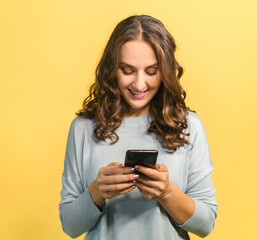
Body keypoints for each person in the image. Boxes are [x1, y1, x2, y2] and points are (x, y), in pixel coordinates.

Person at [59, 15, 217, 240]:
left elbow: (206, 224)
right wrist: (97, 192)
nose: (139, 84)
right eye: (127, 70)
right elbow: (70, 227)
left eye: (151, 71)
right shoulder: (83, 129)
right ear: (112, 69)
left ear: (166, 71)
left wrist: (167, 192)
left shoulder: (189, 126)